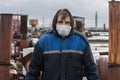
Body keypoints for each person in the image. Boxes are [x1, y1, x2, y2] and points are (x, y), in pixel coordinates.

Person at [25, 8, 100, 80]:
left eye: (67, 22)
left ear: (71, 24)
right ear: (55, 23)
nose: (64, 25)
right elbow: (33, 71)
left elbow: (91, 70)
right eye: (60, 22)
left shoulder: (81, 41)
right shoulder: (44, 41)